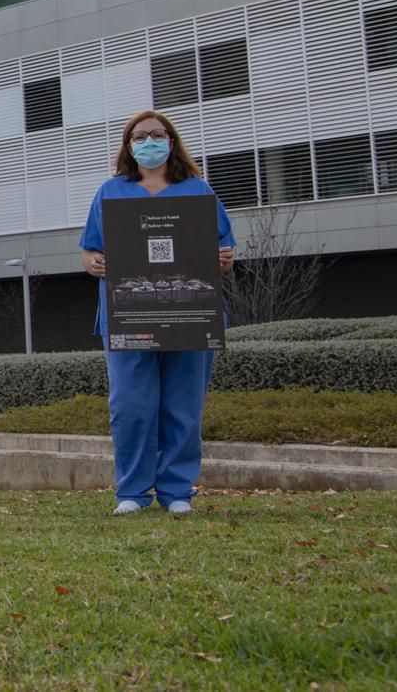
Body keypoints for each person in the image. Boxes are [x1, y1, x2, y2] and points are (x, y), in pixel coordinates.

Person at [80, 110, 235, 517]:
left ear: (172, 140)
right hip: (129, 316)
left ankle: (177, 490)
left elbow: (223, 249)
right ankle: (131, 490)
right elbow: (90, 249)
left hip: (191, 314)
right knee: (130, 407)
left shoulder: (199, 190)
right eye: (139, 136)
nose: (149, 142)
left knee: (183, 406)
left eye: (157, 134)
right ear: (128, 146)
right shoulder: (110, 192)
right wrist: (93, 262)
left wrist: (223, 258)